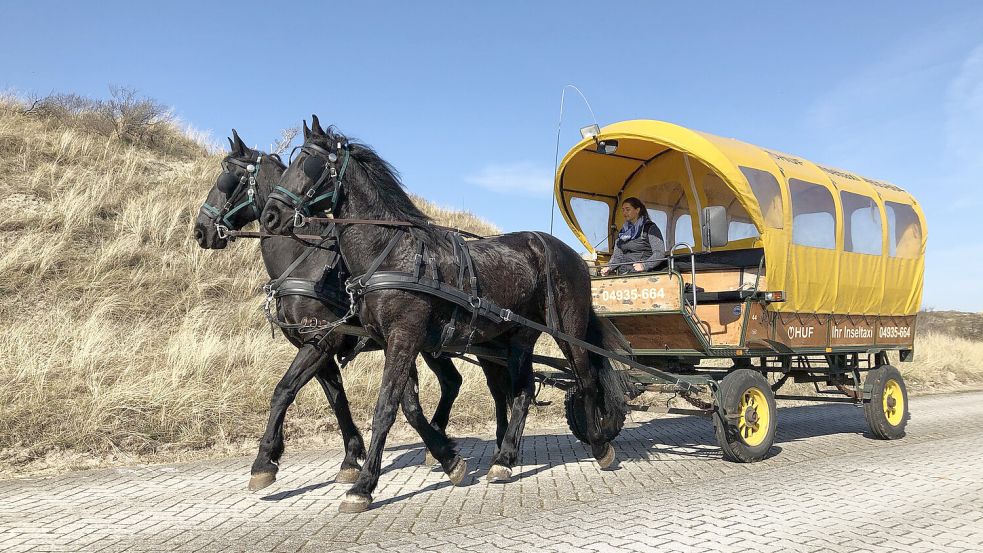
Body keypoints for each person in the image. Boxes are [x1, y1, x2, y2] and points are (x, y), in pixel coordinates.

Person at [600, 197, 666, 276]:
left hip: (643, 273)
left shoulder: (649, 227)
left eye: (628, 209)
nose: (624, 213)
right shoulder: (623, 232)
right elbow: (617, 256)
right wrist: (609, 267)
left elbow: (659, 253)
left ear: (637, 210)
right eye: (623, 210)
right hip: (624, 272)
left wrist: (644, 265)